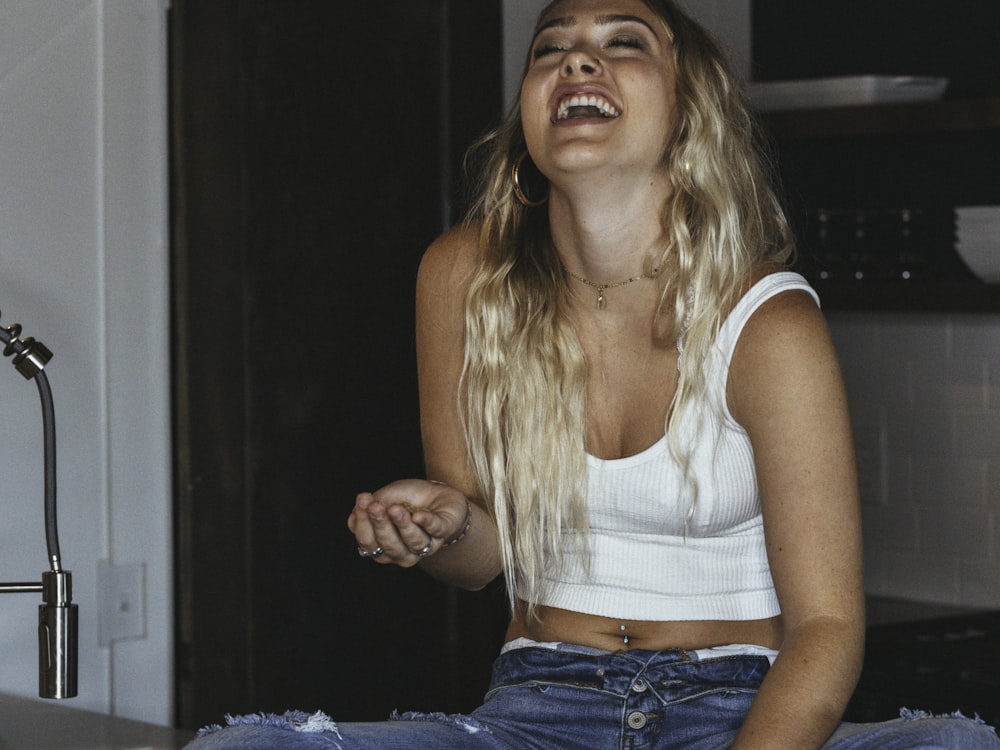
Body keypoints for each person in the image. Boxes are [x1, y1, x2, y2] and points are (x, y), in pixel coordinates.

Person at [186, 1, 1000, 748]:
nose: (578, 62)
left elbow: (826, 628)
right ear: (529, 113)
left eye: (622, 42)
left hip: (737, 710)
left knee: (956, 746)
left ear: (688, 109)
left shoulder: (767, 323)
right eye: (552, 48)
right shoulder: (464, 275)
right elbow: (479, 562)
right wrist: (439, 524)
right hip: (541, 710)